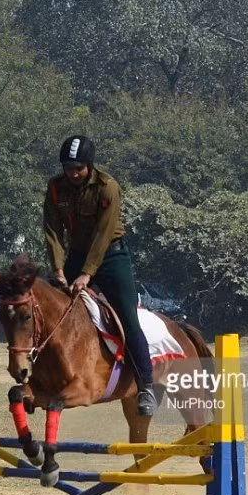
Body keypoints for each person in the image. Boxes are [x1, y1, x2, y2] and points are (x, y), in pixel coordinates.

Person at [43, 135, 160, 416]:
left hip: (111, 256)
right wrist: (58, 268)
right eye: (67, 167)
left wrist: (86, 274)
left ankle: (146, 387)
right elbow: (52, 231)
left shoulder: (108, 187)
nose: (72, 173)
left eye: (78, 168)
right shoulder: (56, 188)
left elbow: (102, 236)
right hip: (75, 256)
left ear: (89, 166)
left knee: (128, 318)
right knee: (48, 307)